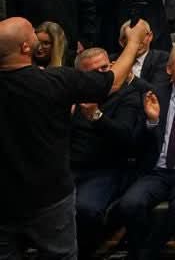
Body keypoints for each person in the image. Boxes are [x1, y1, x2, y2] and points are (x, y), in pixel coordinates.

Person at [0, 17, 148, 260]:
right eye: (32, 33)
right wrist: (133, 42)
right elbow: (112, 82)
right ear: (25, 47)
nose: (37, 35)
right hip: (49, 196)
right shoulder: (53, 81)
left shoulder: (52, 80)